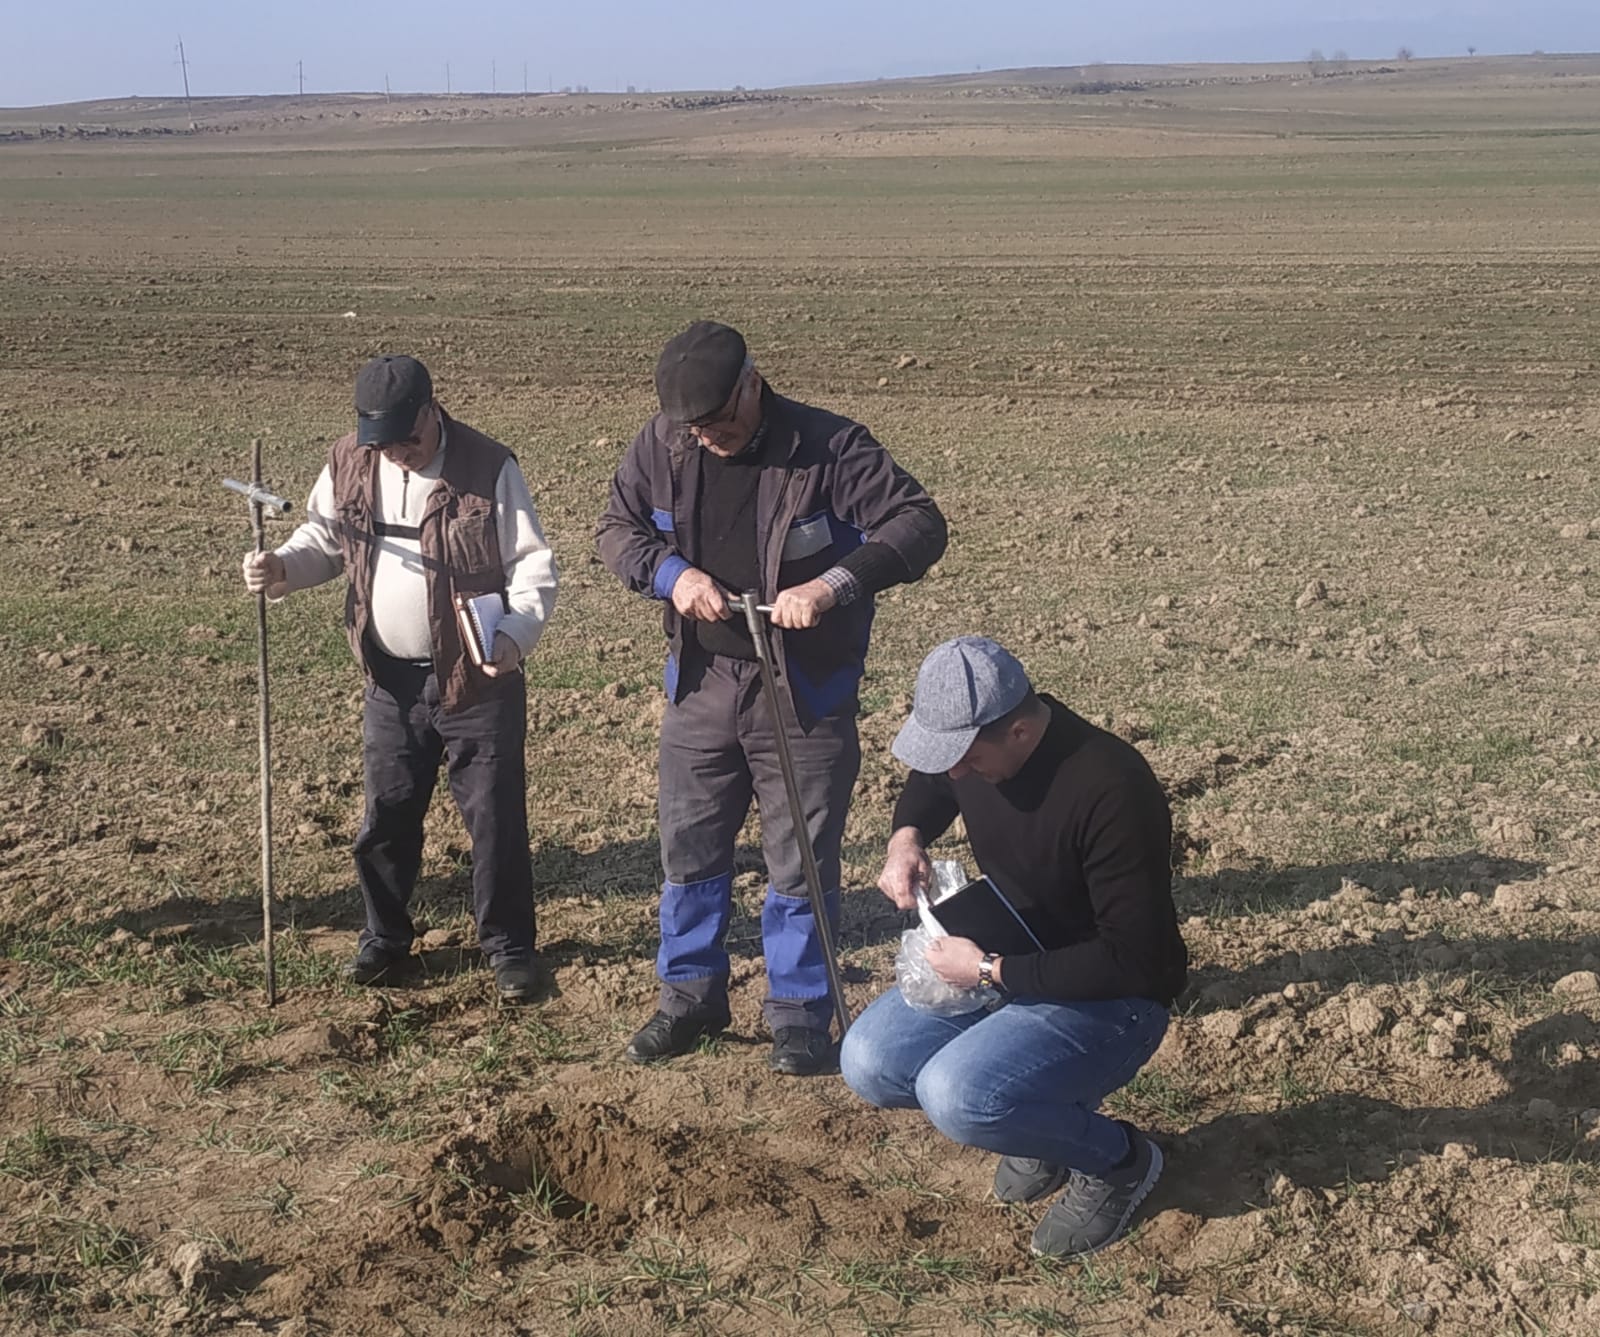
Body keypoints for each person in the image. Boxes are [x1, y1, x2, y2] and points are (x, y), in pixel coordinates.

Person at [596, 320, 947, 1075]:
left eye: (721, 421)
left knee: (800, 859)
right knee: (688, 849)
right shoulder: (662, 445)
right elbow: (617, 530)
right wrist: (671, 576)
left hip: (804, 690)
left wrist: (833, 584)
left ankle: (797, 1011)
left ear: (753, 382)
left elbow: (920, 524)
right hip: (702, 684)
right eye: (694, 427)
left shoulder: (831, 448)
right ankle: (689, 995)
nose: (709, 438)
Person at [840, 636, 1188, 1258]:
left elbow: (1133, 958)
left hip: (1114, 994)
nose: (956, 774)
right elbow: (932, 784)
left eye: (966, 760)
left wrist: (987, 970)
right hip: (1009, 952)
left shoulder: (1112, 788)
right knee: (870, 1061)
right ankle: (1038, 1121)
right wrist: (905, 839)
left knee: (960, 1096)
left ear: (1021, 732)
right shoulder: (975, 753)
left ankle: (1118, 1162)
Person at [242, 355, 558, 1001]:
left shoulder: (488, 466)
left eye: (407, 440)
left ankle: (509, 950)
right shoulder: (350, 463)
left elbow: (534, 569)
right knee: (386, 816)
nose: (399, 455)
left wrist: (514, 636)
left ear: (430, 411)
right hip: (391, 681)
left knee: (494, 819)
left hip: (478, 681)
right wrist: (282, 568)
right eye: (383, 444)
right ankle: (384, 941)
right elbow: (325, 539)